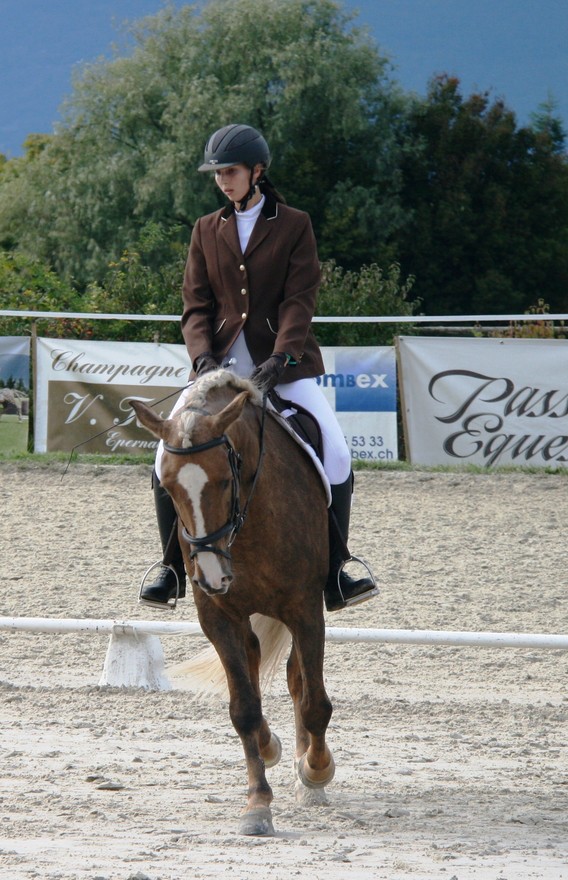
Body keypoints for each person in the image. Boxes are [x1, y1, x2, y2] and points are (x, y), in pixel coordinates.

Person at [139, 123, 378, 612]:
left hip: (282, 369)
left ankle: (337, 568)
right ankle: (170, 569)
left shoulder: (294, 224)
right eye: (217, 174)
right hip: (217, 370)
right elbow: (195, 305)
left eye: (231, 171)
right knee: (164, 455)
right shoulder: (206, 228)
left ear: (257, 171)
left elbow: (299, 299)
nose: (223, 181)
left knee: (336, 454)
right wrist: (202, 357)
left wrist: (281, 357)